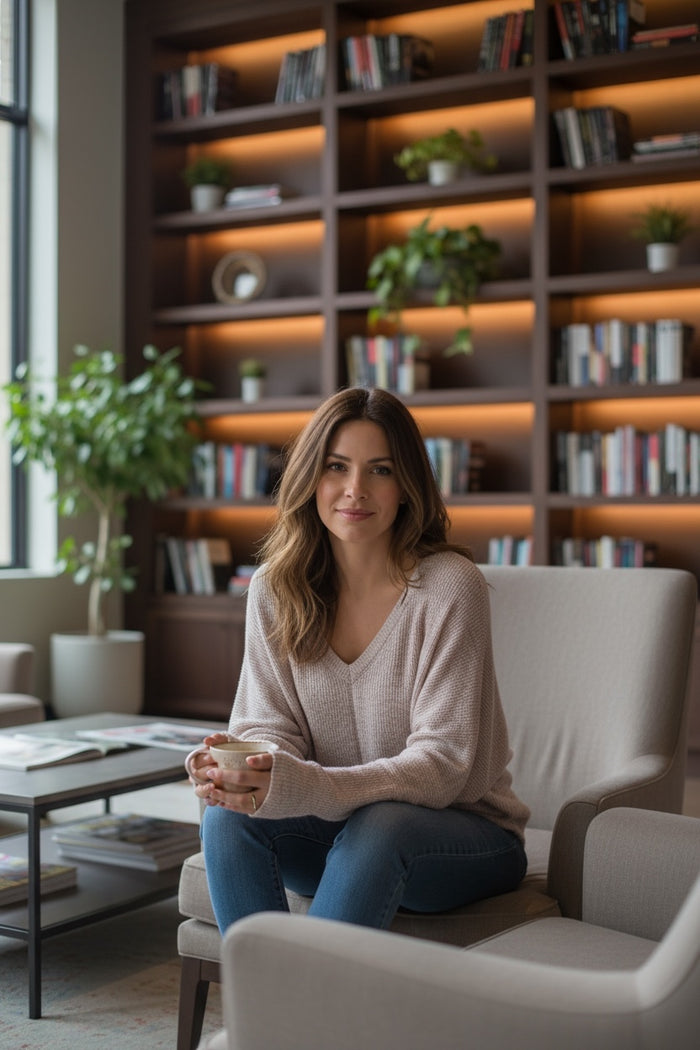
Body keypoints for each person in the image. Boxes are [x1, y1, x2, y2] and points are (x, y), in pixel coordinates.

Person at [186, 386, 529, 935]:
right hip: (338, 832)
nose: (355, 490)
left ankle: (300, 1017)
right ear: (309, 478)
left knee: (381, 825)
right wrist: (248, 774)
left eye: (381, 470)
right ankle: (269, 1008)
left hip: (464, 838)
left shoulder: (449, 589)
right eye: (336, 467)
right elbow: (264, 726)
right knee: (228, 817)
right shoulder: (275, 589)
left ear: (407, 485)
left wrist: (314, 787)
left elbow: (442, 766)